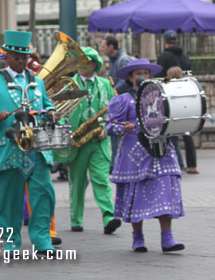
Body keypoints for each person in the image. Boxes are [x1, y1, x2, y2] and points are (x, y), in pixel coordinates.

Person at [0, 30, 59, 253]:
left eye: (24, 57)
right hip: (8, 147)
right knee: (8, 199)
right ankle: (11, 241)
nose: (22, 61)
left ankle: (42, 241)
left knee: (43, 195)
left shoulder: (37, 82)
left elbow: (48, 105)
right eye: (17, 57)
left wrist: (51, 113)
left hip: (37, 148)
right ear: (7, 57)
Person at [106, 59, 185, 253]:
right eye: (139, 73)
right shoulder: (123, 99)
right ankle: (138, 238)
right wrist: (124, 127)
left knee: (165, 188)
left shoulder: (163, 96)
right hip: (135, 155)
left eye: (146, 72)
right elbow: (109, 127)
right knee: (136, 195)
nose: (143, 76)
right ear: (132, 78)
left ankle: (167, 238)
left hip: (161, 151)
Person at [53, 47, 121, 234]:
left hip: (99, 140)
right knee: (77, 181)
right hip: (76, 141)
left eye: (86, 61)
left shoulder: (106, 84)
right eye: (78, 61)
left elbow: (114, 112)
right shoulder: (68, 84)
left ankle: (109, 217)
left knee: (101, 179)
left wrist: (106, 129)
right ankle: (76, 219)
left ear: (94, 64)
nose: (81, 65)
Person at [156, 30, 192, 170]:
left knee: (172, 133)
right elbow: (190, 74)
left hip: (170, 98)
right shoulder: (184, 56)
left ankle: (178, 163)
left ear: (165, 42)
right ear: (176, 41)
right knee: (187, 133)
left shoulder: (163, 57)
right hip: (185, 96)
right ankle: (192, 165)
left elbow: (159, 78)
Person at [100, 35, 132, 168]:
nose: (102, 49)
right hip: (118, 100)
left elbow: (124, 81)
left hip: (121, 101)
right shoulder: (116, 60)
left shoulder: (122, 60)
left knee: (113, 131)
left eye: (103, 46)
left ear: (111, 47)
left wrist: (110, 92)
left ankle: (113, 164)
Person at [166, 66, 199, 174]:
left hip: (174, 115)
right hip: (188, 114)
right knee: (188, 140)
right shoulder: (187, 85)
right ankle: (192, 165)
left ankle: (178, 163)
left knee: (173, 140)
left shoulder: (169, 86)